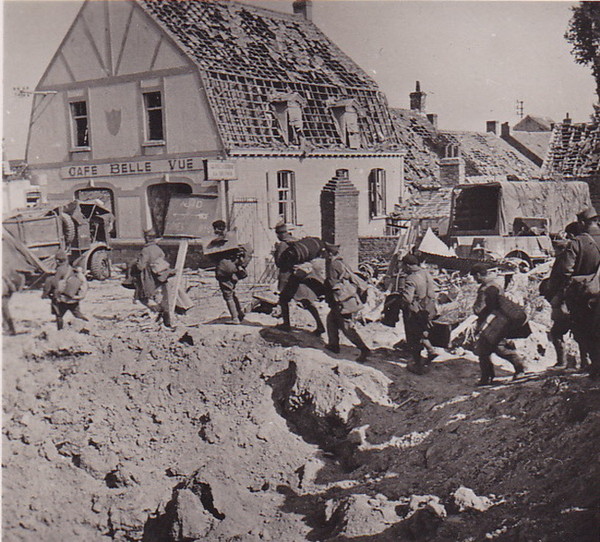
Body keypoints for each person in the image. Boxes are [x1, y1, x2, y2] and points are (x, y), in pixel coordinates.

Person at [552, 207, 600, 379]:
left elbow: (566, 271)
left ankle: (594, 368)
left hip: (584, 295)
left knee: (585, 330)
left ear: (581, 223)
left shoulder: (577, 243)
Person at [541, 221, 589, 370]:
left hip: (565, 301)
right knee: (580, 332)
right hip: (580, 298)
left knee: (556, 332)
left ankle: (562, 363)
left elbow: (562, 278)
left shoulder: (564, 258)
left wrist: (556, 295)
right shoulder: (583, 253)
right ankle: (584, 362)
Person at [470, 263, 526, 386]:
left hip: (490, 323)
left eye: (475, 277)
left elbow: (479, 309)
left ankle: (490, 376)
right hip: (500, 321)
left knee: (489, 350)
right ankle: (490, 376)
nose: (475, 280)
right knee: (493, 348)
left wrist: (474, 307)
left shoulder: (484, 289)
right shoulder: (496, 285)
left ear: (479, 275)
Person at [273, 223, 325, 335]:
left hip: (288, 277)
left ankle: (286, 324)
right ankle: (320, 325)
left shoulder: (282, 245)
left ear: (278, 234)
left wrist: (275, 252)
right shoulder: (296, 241)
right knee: (306, 301)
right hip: (299, 274)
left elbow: (279, 263)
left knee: (283, 300)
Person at [322, 242, 370, 362]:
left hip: (341, 299)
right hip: (345, 297)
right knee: (331, 320)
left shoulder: (333, 265)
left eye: (325, 252)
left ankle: (364, 349)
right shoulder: (341, 262)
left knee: (346, 327)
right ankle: (333, 345)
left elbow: (333, 283)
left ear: (329, 253)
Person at [397, 254, 437, 375]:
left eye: (404, 265)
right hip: (427, 308)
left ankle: (417, 365)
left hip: (414, 311)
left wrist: (400, 297)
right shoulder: (425, 273)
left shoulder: (410, 279)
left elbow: (407, 299)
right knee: (422, 330)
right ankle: (430, 350)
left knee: (412, 337)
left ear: (408, 265)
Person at [130, 228, 173, 325]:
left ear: (146, 238)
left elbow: (141, 266)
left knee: (143, 297)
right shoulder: (158, 248)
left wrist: (135, 263)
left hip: (148, 277)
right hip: (159, 276)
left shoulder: (146, 250)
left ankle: (160, 311)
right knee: (158, 296)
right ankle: (163, 315)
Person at [42, 250, 89, 330]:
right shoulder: (69, 268)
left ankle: (60, 331)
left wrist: (45, 293)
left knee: (59, 315)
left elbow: (55, 283)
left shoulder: (60, 269)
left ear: (57, 260)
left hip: (63, 299)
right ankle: (88, 325)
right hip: (73, 297)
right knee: (77, 314)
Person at [215, 246, 249, 324]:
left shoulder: (220, 246)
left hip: (225, 272)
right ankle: (239, 313)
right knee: (231, 293)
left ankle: (235, 318)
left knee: (228, 295)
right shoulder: (235, 245)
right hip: (234, 271)